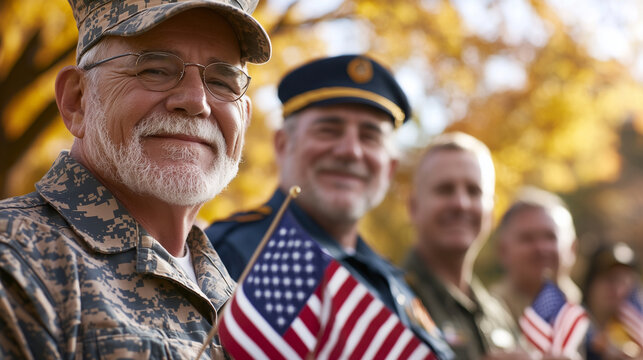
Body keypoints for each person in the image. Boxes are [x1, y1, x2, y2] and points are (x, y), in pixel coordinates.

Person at [0, 0, 270, 358]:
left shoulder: (241, 305)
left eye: (222, 80)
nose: (196, 101)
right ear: (77, 101)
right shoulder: (15, 261)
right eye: (155, 69)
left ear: (245, 119)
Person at [205, 54, 453, 359]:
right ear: (283, 146)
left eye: (370, 136)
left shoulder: (392, 279)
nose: (350, 151)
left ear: (389, 168)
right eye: (329, 130)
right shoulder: (231, 253)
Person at [403, 132, 526, 359]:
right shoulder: (390, 300)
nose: (461, 203)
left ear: (491, 211)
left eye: (474, 191)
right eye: (445, 189)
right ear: (413, 207)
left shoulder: (496, 313)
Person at [492, 186, 582, 322]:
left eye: (550, 237)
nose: (540, 248)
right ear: (503, 250)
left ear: (572, 248)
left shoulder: (594, 314)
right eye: (527, 238)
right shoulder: (489, 316)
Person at [583, 242, 642, 360]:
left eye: (623, 281)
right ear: (591, 281)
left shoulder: (634, 325)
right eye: (609, 278)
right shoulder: (571, 322)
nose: (617, 289)